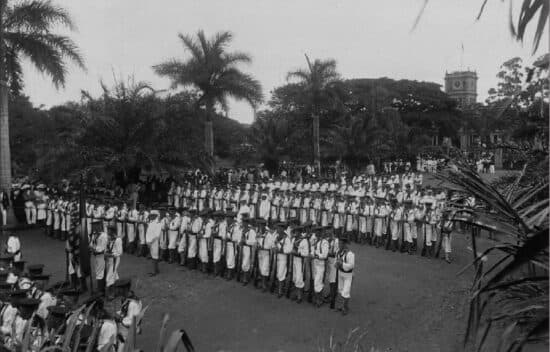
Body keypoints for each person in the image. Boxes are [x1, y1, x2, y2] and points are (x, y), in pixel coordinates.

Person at [336, 237, 355, 315]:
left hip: (348, 275)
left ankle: (345, 308)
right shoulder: (338, 252)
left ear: (344, 244)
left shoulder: (350, 254)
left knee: (346, 291)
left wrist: (342, 264)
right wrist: (336, 264)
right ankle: (343, 306)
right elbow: (336, 261)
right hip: (340, 273)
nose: (339, 245)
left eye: (340, 243)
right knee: (340, 290)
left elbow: (351, 266)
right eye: (339, 243)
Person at [90, 220, 108, 294]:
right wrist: (91, 248)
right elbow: (91, 244)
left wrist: (94, 249)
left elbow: (103, 248)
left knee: (100, 272)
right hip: (96, 256)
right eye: (93, 225)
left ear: (99, 226)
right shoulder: (94, 234)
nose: (93, 227)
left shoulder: (103, 235)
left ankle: (100, 290)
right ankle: (102, 288)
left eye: (94, 225)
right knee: (98, 271)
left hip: (101, 256)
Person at [312, 228, 329, 307]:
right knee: (317, 281)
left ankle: (319, 300)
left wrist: (316, 255)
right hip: (315, 263)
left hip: (320, 264)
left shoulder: (324, 242)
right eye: (316, 231)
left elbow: (324, 255)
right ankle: (319, 298)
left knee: (317, 281)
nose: (316, 233)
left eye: (318, 232)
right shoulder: (316, 241)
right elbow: (312, 250)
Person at [105, 228, 123, 299]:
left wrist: (111, 255)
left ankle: (111, 294)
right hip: (109, 260)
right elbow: (107, 249)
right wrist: (106, 253)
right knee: (114, 275)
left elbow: (120, 252)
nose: (108, 234)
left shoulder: (118, 240)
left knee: (110, 276)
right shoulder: (109, 239)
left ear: (113, 232)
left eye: (109, 232)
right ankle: (119, 289)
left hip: (115, 259)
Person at [145, 210, 162, 276]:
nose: (151, 216)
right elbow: (148, 232)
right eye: (151, 215)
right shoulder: (151, 222)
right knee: (153, 256)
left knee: (155, 256)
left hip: (154, 242)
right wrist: (148, 241)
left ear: (155, 216)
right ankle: (156, 270)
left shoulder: (158, 223)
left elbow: (157, 235)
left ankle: (154, 271)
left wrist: (150, 241)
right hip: (150, 242)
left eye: (152, 215)